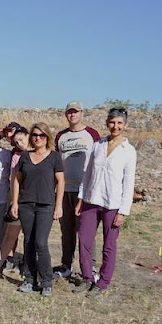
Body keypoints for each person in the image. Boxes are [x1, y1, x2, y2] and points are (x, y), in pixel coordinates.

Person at [74, 107, 136, 297]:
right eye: (112, 122)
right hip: (91, 200)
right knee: (84, 240)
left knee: (109, 245)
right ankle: (87, 278)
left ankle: (103, 282)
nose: (115, 126)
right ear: (107, 123)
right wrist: (81, 199)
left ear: (125, 125)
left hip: (113, 204)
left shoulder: (129, 151)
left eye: (119, 123)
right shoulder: (98, 145)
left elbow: (129, 183)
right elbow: (87, 174)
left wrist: (123, 211)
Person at [11, 123, 64, 297]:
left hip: (45, 206)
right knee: (28, 242)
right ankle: (29, 279)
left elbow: (60, 182)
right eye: (34, 135)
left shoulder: (55, 157)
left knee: (40, 242)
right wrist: (15, 203)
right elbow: (17, 180)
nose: (37, 138)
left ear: (47, 137)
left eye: (41, 135)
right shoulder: (25, 156)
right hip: (26, 204)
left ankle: (46, 282)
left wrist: (58, 205)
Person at [54, 101, 101, 279]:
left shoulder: (92, 134)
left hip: (85, 190)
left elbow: (99, 160)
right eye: (69, 112)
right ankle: (66, 265)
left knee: (86, 231)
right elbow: (56, 163)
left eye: (75, 112)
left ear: (82, 113)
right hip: (65, 190)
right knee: (66, 231)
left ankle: (91, 268)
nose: (72, 115)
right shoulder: (61, 136)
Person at [0, 126, 30, 274]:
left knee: (30, 236)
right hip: (17, 197)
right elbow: (15, 179)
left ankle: (28, 266)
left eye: (21, 139)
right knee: (10, 234)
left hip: (33, 199)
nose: (19, 143)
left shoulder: (42, 154)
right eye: (16, 142)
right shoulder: (15, 155)